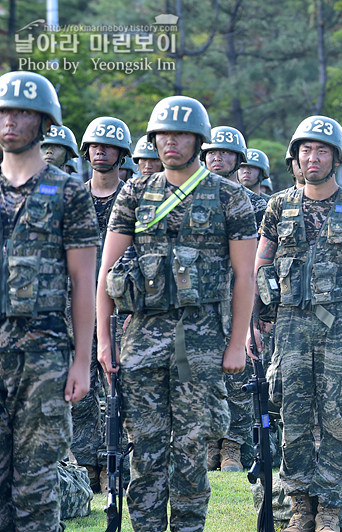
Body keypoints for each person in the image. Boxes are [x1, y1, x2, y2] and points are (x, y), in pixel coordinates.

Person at [96, 95, 257, 531]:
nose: (171, 142)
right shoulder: (134, 192)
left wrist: (236, 342)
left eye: (182, 134)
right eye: (164, 134)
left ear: (198, 139)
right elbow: (108, 271)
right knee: (144, 446)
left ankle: (188, 527)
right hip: (140, 339)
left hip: (200, 343)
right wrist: (104, 343)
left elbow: (245, 276)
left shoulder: (230, 197)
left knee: (190, 448)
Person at [254, 115, 342, 532]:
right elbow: (262, 263)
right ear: (294, 157)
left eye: (322, 150)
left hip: (338, 326)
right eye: (306, 149)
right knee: (293, 413)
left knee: (335, 416)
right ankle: (300, 505)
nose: (313, 157)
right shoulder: (278, 205)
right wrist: (258, 320)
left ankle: (330, 508)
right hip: (288, 326)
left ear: (336, 158)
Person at [0, 71, 99, 532]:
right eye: (4, 111)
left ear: (44, 123)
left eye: (22, 112)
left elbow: (83, 280)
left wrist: (82, 361)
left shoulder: (69, 191)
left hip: (44, 353)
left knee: (36, 485)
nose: (10, 122)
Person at [200, 125, 266, 473]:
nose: (217, 157)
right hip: (202, 302)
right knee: (205, 374)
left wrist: (262, 311)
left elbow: (267, 262)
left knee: (240, 378)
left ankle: (234, 447)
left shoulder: (259, 206)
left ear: (238, 159)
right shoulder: (192, 198)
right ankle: (210, 443)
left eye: (225, 152)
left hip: (241, 300)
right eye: (211, 151)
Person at [72, 116, 132, 490]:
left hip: (121, 308)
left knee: (121, 389)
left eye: (108, 146)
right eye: (94, 145)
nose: (100, 150)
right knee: (81, 392)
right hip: (76, 307)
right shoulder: (74, 197)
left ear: (121, 153)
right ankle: (86, 465)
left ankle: (119, 466)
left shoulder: (134, 199)